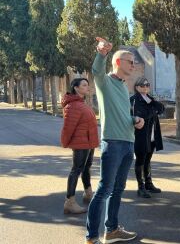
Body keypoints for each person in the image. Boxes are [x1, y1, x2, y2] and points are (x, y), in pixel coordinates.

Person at [85, 37, 145, 244]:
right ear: (118, 63)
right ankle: (92, 237)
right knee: (104, 190)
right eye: (130, 61)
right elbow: (96, 71)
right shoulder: (105, 81)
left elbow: (121, 114)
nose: (134, 64)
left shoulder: (122, 86)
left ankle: (111, 230)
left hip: (128, 142)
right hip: (113, 143)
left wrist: (135, 119)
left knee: (118, 190)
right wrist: (102, 53)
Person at [61, 78, 99, 214]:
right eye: (84, 85)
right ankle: (69, 202)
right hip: (81, 143)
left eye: (88, 84)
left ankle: (88, 194)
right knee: (76, 170)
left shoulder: (81, 103)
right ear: (76, 88)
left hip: (88, 142)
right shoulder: (72, 106)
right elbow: (68, 128)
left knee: (86, 168)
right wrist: (65, 142)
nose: (87, 87)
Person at [130, 77, 165, 198]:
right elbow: (142, 115)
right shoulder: (134, 100)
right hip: (140, 136)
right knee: (140, 160)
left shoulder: (149, 99)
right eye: (142, 85)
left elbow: (161, 108)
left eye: (147, 85)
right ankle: (141, 187)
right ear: (137, 87)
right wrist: (153, 110)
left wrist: (153, 103)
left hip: (151, 135)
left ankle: (148, 183)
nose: (145, 87)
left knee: (148, 160)